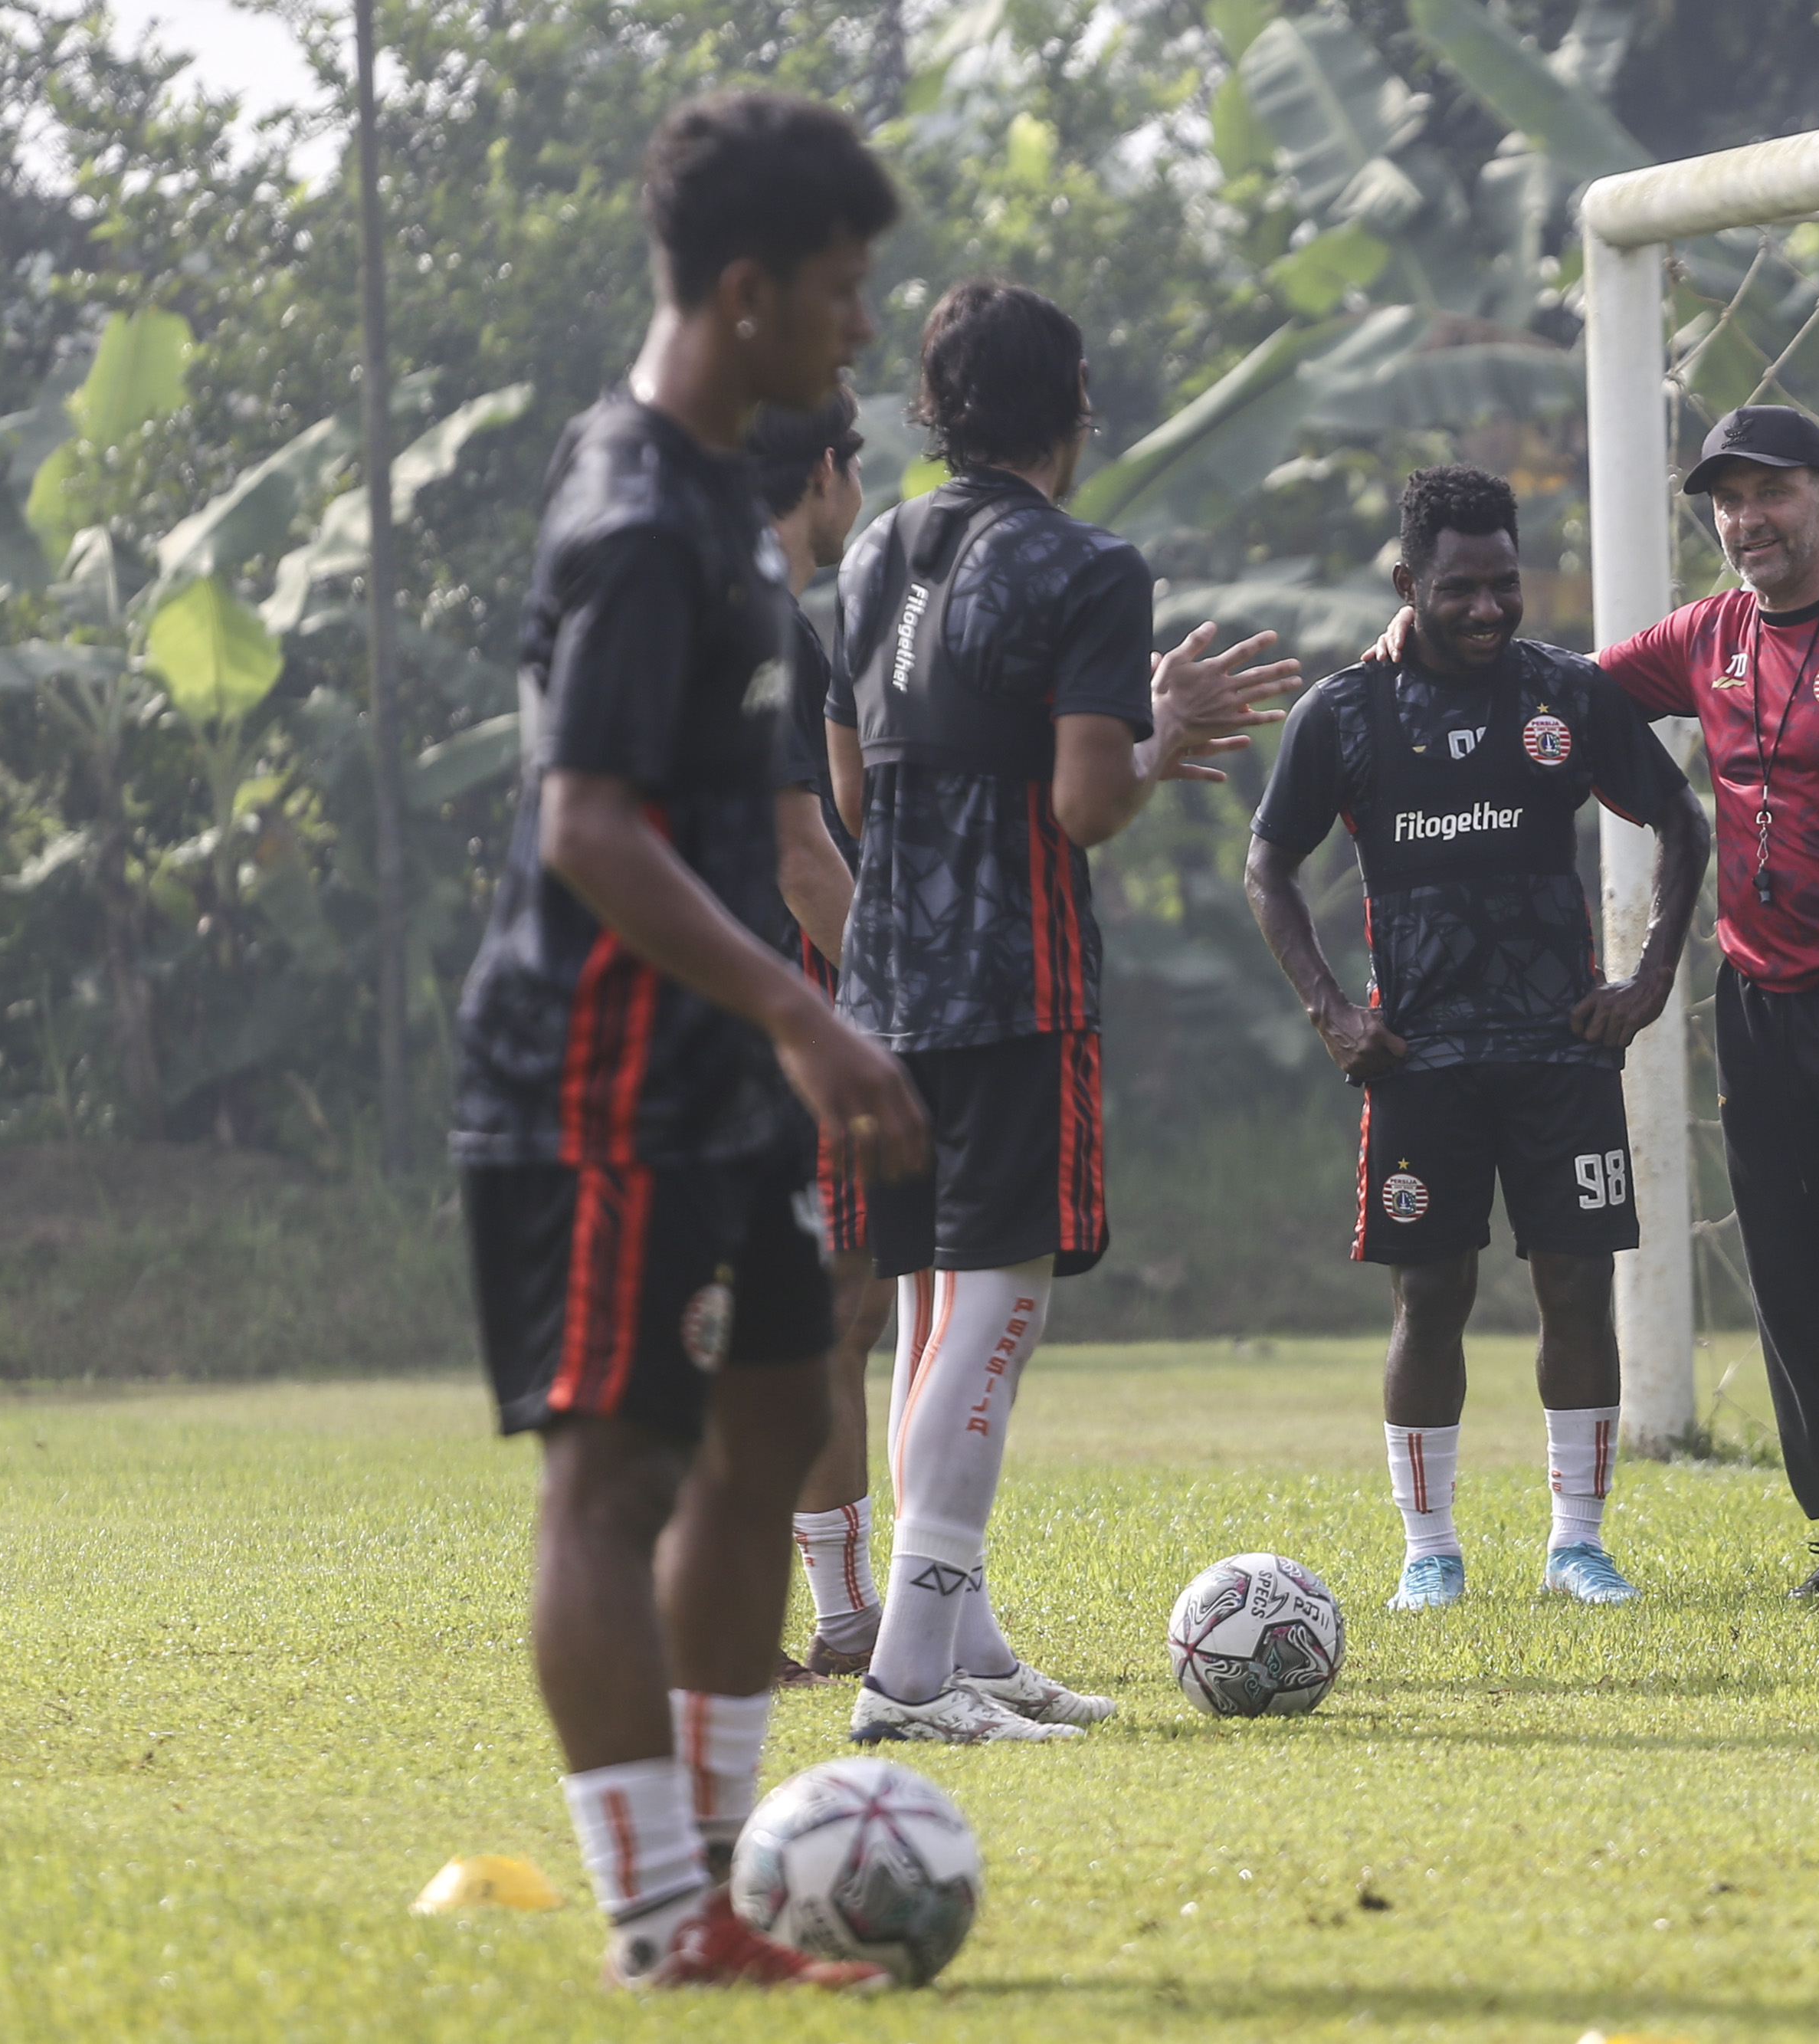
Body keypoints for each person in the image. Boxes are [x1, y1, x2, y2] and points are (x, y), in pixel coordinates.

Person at [449, 91, 929, 1990]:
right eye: (839, 288)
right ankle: (662, 1917)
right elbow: (586, 824)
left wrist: (781, 1023)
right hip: (596, 1069)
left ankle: (723, 1874)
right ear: (746, 292)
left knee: (773, 1420)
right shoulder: (640, 520)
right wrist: (806, 1010)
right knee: (614, 1473)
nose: (859, 325)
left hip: (718, 1065)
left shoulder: (726, 502)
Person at [1363, 405, 1819, 1606]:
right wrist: (1411, 633)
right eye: (1727, 500)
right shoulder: (1706, 637)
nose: (1748, 519)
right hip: (1759, 1002)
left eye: (1771, 491)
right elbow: (1556, 687)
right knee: (1791, 1270)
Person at [824, 279, 1302, 1743]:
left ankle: (961, 1647)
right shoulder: (1088, 565)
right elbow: (1088, 804)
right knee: (997, 1302)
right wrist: (1160, 733)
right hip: (1011, 987)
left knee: (928, 1302)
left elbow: (852, 795)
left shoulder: (872, 552)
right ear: (1074, 410)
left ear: (938, 409)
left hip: (880, 990)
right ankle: (911, 1679)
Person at [1245, 466, 1709, 1612]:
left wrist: (1651, 977)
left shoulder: (1567, 692)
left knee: (1577, 1285)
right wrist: (1333, 1011)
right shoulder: (1345, 713)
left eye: (1505, 582)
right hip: (1421, 1059)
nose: (1489, 607)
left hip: (1561, 1049)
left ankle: (1578, 1547)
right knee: (1431, 1294)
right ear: (1410, 583)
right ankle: (1430, 1553)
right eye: (1461, 588)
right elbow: (1269, 867)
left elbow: (1680, 821)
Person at [739, 389, 898, 1686]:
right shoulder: (765, 627)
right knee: (813, 1317)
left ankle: (840, 1619)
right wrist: (894, 1005)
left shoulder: (695, 611)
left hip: (699, 1017)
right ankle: (768, 1624)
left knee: (821, 1314)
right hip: (773, 1020)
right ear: (828, 473)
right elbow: (802, 864)